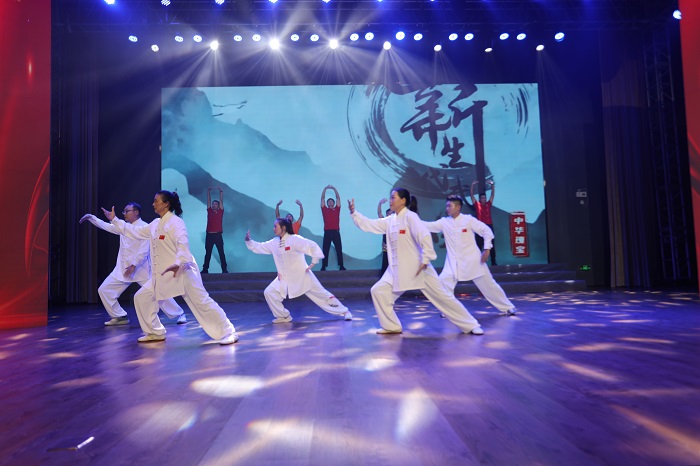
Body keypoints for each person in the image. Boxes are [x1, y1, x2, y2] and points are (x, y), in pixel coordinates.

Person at [101, 190, 238, 345]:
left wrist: (178, 263)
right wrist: (115, 220)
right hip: (163, 274)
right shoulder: (155, 224)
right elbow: (135, 231)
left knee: (202, 302)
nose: (153, 204)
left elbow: (182, 245)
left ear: (166, 204)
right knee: (142, 298)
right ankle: (155, 332)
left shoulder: (176, 222)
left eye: (156, 201)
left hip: (183, 271)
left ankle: (229, 332)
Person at [349, 188, 483, 335]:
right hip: (397, 270)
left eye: (393, 197)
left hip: (419, 269)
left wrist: (426, 258)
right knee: (378, 291)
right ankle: (391, 326)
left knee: (444, 298)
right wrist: (354, 213)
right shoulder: (390, 220)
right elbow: (371, 224)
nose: (390, 200)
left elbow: (424, 236)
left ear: (403, 201)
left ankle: (471, 325)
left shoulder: (411, 217)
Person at [80, 203, 187, 326]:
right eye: (124, 211)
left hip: (141, 270)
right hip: (123, 270)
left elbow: (144, 250)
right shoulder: (124, 227)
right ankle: (119, 316)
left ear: (136, 212)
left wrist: (134, 265)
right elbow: (107, 226)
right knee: (105, 290)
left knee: (159, 293)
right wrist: (91, 218)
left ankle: (179, 314)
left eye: (127, 211)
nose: (124, 214)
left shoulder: (144, 227)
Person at [245, 218, 352, 323]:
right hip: (284, 278)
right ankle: (283, 316)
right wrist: (249, 241)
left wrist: (313, 262)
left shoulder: (294, 239)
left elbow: (311, 245)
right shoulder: (274, 242)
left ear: (283, 228)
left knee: (322, 295)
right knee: (269, 293)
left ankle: (345, 311)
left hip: (303, 276)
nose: (273, 228)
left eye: (275, 226)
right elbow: (260, 246)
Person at [424, 195, 516, 316]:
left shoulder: (468, 220)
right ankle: (448, 311)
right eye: (446, 206)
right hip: (452, 263)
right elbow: (427, 225)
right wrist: (410, 220)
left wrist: (487, 249)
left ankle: (508, 307)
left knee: (489, 285)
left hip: (474, 261)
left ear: (458, 207)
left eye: (449, 206)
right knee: (443, 284)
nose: (447, 208)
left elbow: (486, 231)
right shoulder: (444, 222)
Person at [201, 187, 228, 274]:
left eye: (216, 204)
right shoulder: (209, 211)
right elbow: (208, 201)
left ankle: (224, 269)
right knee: (208, 253)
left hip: (217, 235)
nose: (214, 205)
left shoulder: (220, 211)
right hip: (209, 235)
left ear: (218, 206)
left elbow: (221, 201)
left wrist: (221, 192)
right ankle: (205, 269)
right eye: (213, 204)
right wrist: (208, 192)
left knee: (221, 253)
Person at [470, 179, 497, 265]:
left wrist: (492, 185)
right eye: (482, 198)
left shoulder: (488, 204)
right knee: (479, 244)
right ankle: (477, 262)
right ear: (480, 199)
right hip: (480, 227)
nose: (484, 199)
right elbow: (471, 195)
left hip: (489, 226)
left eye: (485, 198)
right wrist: (472, 186)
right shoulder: (477, 204)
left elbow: (492, 195)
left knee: (491, 244)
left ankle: (493, 262)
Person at [320, 185, 346, 271]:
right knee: (325, 249)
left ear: (334, 203)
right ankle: (323, 266)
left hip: (336, 232)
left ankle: (341, 266)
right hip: (327, 232)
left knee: (339, 249)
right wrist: (325, 189)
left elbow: (338, 198)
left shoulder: (337, 209)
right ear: (327, 204)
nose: (330, 202)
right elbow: (322, 199)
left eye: (332, 201)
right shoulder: (324, 209)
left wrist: (334, 189)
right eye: (329, 201)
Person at [377, 198, 392, 277]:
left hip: (394, 245)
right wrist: (380, 203)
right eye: (388, 214)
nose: (389, 215)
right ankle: (384, 276)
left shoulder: (396, 222)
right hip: (385, 244)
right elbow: (379, 213)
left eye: (391, 213)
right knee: (385, 260)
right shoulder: (384, 222)